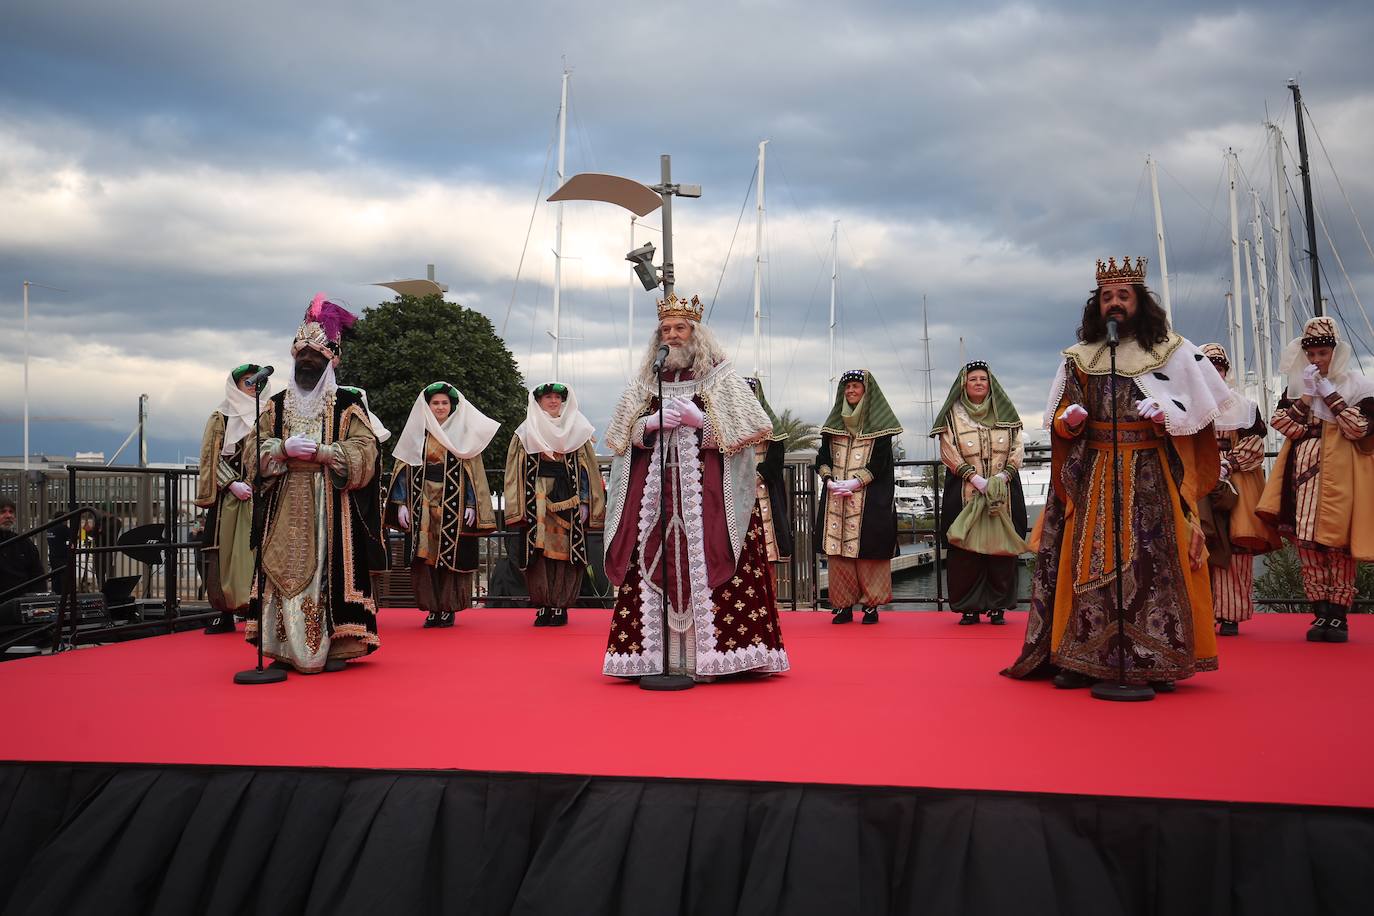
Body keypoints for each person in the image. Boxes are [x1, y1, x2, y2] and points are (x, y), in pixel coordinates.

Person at [1003, 257, 1231, 689]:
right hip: (1094, 471)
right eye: (1107, 296)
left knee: (1152, 567)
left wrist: (1166, 415)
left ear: (1140, 302)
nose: (1115, 303)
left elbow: (1199, 413)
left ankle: (1152, 657)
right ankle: (1081, 656)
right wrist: (1068, 419)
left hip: (1149, 473)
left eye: (1123, 295)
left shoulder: (1172, 350)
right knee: (1084, 565)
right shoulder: (1080, 358)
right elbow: (1060, 417)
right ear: (1097, 305)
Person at [602, 293, 788, 679]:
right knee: (651, 560)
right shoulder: (646, 381)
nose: (672, 335)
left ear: (696, 333)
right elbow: (620, 436)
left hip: (709, 501)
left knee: (712, 561)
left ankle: (721, 658)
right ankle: (658, 659)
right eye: (666, 330)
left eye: (680, 328)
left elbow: (754, 428)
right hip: (656, 499)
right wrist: (648, 426)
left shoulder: (720, 375)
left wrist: (703, 422)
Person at [246, 294, 387, 674]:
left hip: (328, 504)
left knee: (327, 570)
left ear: (331, 361)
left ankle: (329, 645)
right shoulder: (274, 404)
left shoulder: (346, 404)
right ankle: (282, 647)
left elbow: (366, 451)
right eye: (301, 357)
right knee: (280, 570)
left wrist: (326, 453)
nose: (307, 363)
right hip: (284, 500)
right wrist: (279, 448)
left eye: (316, 357)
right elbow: (250, 451)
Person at [1256, 317, 1374, 643]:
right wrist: (1308, 396)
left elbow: (1358, 429)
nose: (1316, 360)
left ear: (1335, 353)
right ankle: (1319, 611)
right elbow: (1284, 426)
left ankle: (1339, 616)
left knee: (1336, 546)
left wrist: (1331, 396)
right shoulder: (1297, 390)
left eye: (1322, 353)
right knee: (1307, 545)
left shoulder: (1358, 388)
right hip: (1301, 479)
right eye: (1311, 355)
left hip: (1340, 477)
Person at [388, 381, 498, 628]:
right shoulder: (418, 432)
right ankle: (432, 608)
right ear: (427, 406)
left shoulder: (462, 435)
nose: (439, 407)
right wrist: (401, 504)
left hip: (453, 503)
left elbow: (472, 474)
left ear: (452, 406)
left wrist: (472, 505)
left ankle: (447, 608)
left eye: (444, 403)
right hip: (421, 503)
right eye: (435, 403)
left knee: (450, 556)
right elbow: (404, 468)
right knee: (424, 555)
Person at [931, 360, 1028, 626]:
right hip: (964, 490)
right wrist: (972, 477)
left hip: (1003, 491)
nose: (978, 383)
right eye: (973, 379)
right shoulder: (952, 414)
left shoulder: (1006, 412)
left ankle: (998, 607)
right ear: (964, 384)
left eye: (983, 379)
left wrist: (1003, 475)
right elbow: (948, 449)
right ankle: (969, 607)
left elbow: (1018, 446)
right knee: (965, 552)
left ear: (990, 383)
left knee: (1001, 550)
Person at [504, 382, 606, 626]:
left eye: (557, 397)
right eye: (547, 397)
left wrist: (584, 502)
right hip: (535, 503)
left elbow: (586, 471)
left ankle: (560, 605)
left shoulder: (578, 430)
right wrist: (518, 505)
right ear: (538, 402)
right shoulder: (525, 432)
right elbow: (514, 473)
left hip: (568, 502)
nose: (553, 401)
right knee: (539, 555)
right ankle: (543, 604)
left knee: (564, 555)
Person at [1198, 343, 1281, 636]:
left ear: (1226, 372)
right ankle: (1202, 612)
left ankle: (1231, 613)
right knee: (1202, 543)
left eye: (1219, 370)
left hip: (1237, 484)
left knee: (1236, 544)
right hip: (1199, 483)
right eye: (1209, 370)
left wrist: (1226, 463)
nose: (1215, 376)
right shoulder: (1190, 407)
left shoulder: (1244, 408)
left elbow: (1254, 448)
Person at [814, 369, 902, 625]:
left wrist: (854, 482)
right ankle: (842, 605)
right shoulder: (833, 427)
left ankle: (871, 605)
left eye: (856, 386)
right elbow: (823, 457)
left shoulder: (881, 429)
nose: (851, 391)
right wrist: (829, 480)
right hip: (837, 499)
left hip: (870, 499)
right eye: (847, 387)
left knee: (869, 553)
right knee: (838, 553)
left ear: (867, 392)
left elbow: (880, 463)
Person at [193, 364, 262, 634]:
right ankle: (223, 611)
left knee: (256, 552)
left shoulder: (266, 414)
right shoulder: (220, 416)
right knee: (223, 553)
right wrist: (232, 483)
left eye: (256, 382)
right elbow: (210, 456)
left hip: (259, 495)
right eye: (248, 382)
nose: (254, 386)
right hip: (229, 502)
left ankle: (253, 607)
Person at [745, 378, 794, 582]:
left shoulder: (772, 428)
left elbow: (775, 461)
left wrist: (756, 477)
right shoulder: (723, 426)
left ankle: (769, 604)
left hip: (765, 495)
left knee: (768, 550)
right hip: (733, 494)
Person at [0, 496, 45, 600]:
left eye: (11, 512)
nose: (8, 516)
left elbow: (37, 574)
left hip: (21, 602)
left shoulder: (23, 542)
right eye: (3, 512)